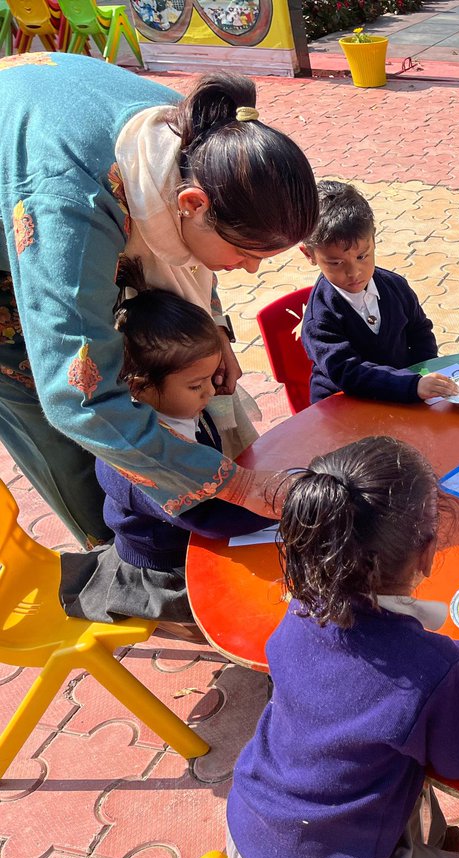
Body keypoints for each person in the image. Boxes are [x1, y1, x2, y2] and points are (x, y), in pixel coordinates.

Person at [0, 55, 319, 545]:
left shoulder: (199, 137)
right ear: (191, 203)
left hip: (49, 158)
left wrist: (211, 325)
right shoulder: (72, 207)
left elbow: (189, 255)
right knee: (68, 421)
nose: (251, 269)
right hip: (28, 229)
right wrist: (239, 485)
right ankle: (118, 564)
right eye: (244, 252)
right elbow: (76, 400)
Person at [225, 436, 459, 858]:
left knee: (408, 779)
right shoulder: (429, 670)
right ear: (425, 552)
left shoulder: (302, 608)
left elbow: (372, 683)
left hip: (252, 824)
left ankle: (430, 848)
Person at [58, 261, 275, 638]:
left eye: (210, 378)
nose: (210, 392)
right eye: (196, 385)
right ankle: (163, 620)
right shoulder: (137, 463)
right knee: (242, 613)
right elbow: (208, 515)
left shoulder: (182, 409)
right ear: (140, 388)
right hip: (163, 565)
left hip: (186, 534)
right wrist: (285, 509)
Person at [300, 180, 458, 405]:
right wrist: (411, 385)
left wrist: (425, 374)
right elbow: (349, 372)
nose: (353, 272)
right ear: (310, 255)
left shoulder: (396, 286)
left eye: (362, 256)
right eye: (335, 263)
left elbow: (420, 331)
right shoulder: (320, 319)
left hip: (402, 393)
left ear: (373, 238)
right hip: (342, 406)